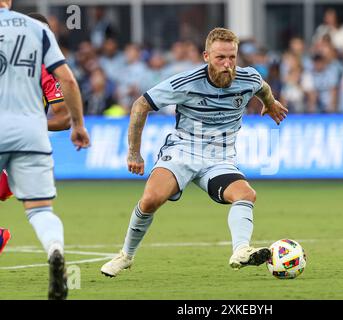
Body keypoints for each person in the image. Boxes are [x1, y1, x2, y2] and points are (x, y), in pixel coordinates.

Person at [100, 28, 288, 277]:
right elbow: (140, 105)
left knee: (246, 194)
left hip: (220, 158)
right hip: (182, 152)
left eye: (232, 57)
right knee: (150, 201)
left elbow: (262, 87)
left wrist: (270, 103)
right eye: (220, 57)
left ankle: (241, 250)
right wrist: (134, 153)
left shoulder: (248, 79)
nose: (228, 64)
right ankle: (125, 256)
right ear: (206, 56)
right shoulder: (186, 82)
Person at [0, 0, 90, 299]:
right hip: (30, 134)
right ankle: (54, 249)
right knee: (40, 210)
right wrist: (78, 125)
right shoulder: (37, 31)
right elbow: (69, 80)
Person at [0, 12, 72, 256]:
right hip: (30, 148)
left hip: (15, 145)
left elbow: (63, 119)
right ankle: (54, 248)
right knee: (40, 210)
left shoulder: (48, 73)